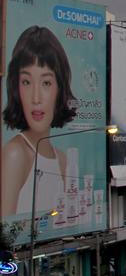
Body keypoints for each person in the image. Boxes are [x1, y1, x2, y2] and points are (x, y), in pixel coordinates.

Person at [1, 26, 76, 217]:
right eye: (26, 82)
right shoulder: (15, 154)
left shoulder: (63, 161)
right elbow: (6, 236)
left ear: (60, 87)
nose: (36, 98)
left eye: (46, 83)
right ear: (16, 87)